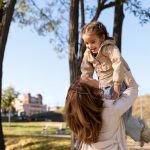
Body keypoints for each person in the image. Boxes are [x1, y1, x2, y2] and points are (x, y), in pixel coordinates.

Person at [80, 21, 150, 146]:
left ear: (102, 38)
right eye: (86, 43)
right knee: (107, 119)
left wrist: (117, 88)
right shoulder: (88, 54)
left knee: (125, 120)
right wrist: (86, 87)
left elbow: (118, 65)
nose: (90, 46)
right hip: (103, 88)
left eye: (92, 42)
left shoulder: (110, 49)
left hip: (118, 85)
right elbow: (86, 71)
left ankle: (142, 132)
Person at [64, 77, 138, 150]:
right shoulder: (111, 109)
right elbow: (133, 88)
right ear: (94, 92)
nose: (88, 76)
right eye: (87, 79)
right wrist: (122, 68)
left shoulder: (82, 118)